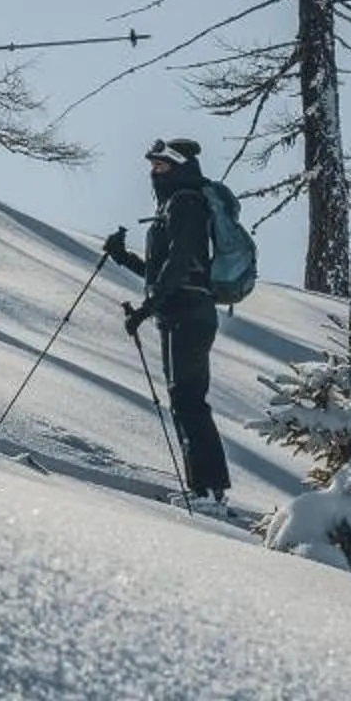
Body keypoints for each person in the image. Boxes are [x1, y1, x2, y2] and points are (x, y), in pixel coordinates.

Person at [103, 136, 233, 505]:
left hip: (188, 313)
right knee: (185, 399)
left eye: (161, 167)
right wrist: (121, 257)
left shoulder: (186, 203)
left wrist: (147, 308)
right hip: (182, 312)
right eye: (153, 167)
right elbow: (161, 271)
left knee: (188, 400)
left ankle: (208, 491)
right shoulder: (174, 207)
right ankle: (206, 489)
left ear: (179, 168)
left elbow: (178, 266)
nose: (154, 173)